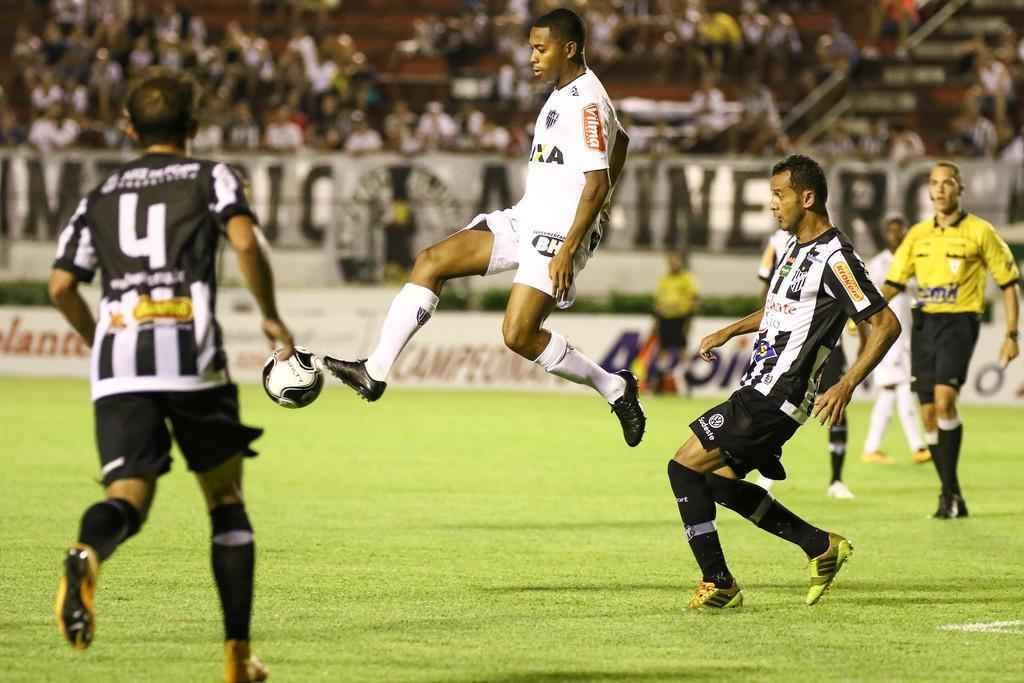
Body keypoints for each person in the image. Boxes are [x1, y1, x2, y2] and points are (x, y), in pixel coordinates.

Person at [49, 70, 294, 683]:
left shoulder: (99, 192)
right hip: (191, 357)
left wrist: (99, 338)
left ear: (129, 127)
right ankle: (238, 661)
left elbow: (61, 285)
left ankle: (87, 553)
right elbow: (244, 244)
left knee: (125, 499)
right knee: (226, 502)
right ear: (195, 126)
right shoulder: (209, 175)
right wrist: (270, 316)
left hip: (120, 365)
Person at [323, 9, 646, 446]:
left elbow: (597, 181)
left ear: (569, 49)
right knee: (430, 262)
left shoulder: (586, 101)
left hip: (558, 232)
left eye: (540, 49)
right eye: (531, 47)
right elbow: (621, 140)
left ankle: (614, 387)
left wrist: (573, 243)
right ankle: (374, 371)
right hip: (527, 215)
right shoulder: (564, 92)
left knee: (518, 335)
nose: (531, 57)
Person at [667, 154, 900, 609]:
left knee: (682, 467)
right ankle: (819, 545)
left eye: (779, 195)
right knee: (712, 484)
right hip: (759, 389)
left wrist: (847, 382)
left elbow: (886, 324)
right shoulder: (793, 248)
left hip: (777, 395)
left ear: (807, 197)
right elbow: (779, 310)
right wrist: (729, 329)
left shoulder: (836, 259)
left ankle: (719, 583)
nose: (772, 204)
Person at [882, 161, 1020, 518]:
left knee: (944, 401)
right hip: (924, 323)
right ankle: (951, 493)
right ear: (929, 191)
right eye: (934, 183)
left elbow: (1008, 284)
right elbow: (893, 284)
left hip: (960, 321)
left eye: (947, 183)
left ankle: (949, 493)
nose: (940, 189)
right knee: (927, 414)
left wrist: (1011, 334)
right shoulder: (917, 236)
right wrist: (860, 314)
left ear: (960, 189)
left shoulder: (980, 231)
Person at [756, 227, 855, 499]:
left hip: (824, 339)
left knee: (835, 406)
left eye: (781, 196)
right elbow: (766, 283)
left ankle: (836, 479)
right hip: (784, 339)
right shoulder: (777, 241)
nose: (776, 206)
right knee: (773, 404)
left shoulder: (834, 245)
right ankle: (765, 475)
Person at [862, 215, 930, 465]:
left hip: (909, 338)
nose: (896, 235)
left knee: (890, 393)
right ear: (885, 234)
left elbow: (921, 293)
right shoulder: (879, 263)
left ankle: (872, 448)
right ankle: (918, 446)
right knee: (901, 388)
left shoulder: (914, 262)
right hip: (887, 338)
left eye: (900, 231)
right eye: (891, 231)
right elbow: (876, 295)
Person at [648, 251, 698, 394]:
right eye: (671, 261)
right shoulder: (664, 279)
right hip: (664, 318)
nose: (673, 264)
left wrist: (689, 319)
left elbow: (694, 298)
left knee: (682, 350)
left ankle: (689, 380)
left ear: (681, 262)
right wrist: (656, 321)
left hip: (680, 318)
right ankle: (659, 383)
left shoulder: (687, 279)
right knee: (663, 351)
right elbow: (658, 302)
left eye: (676, 261)